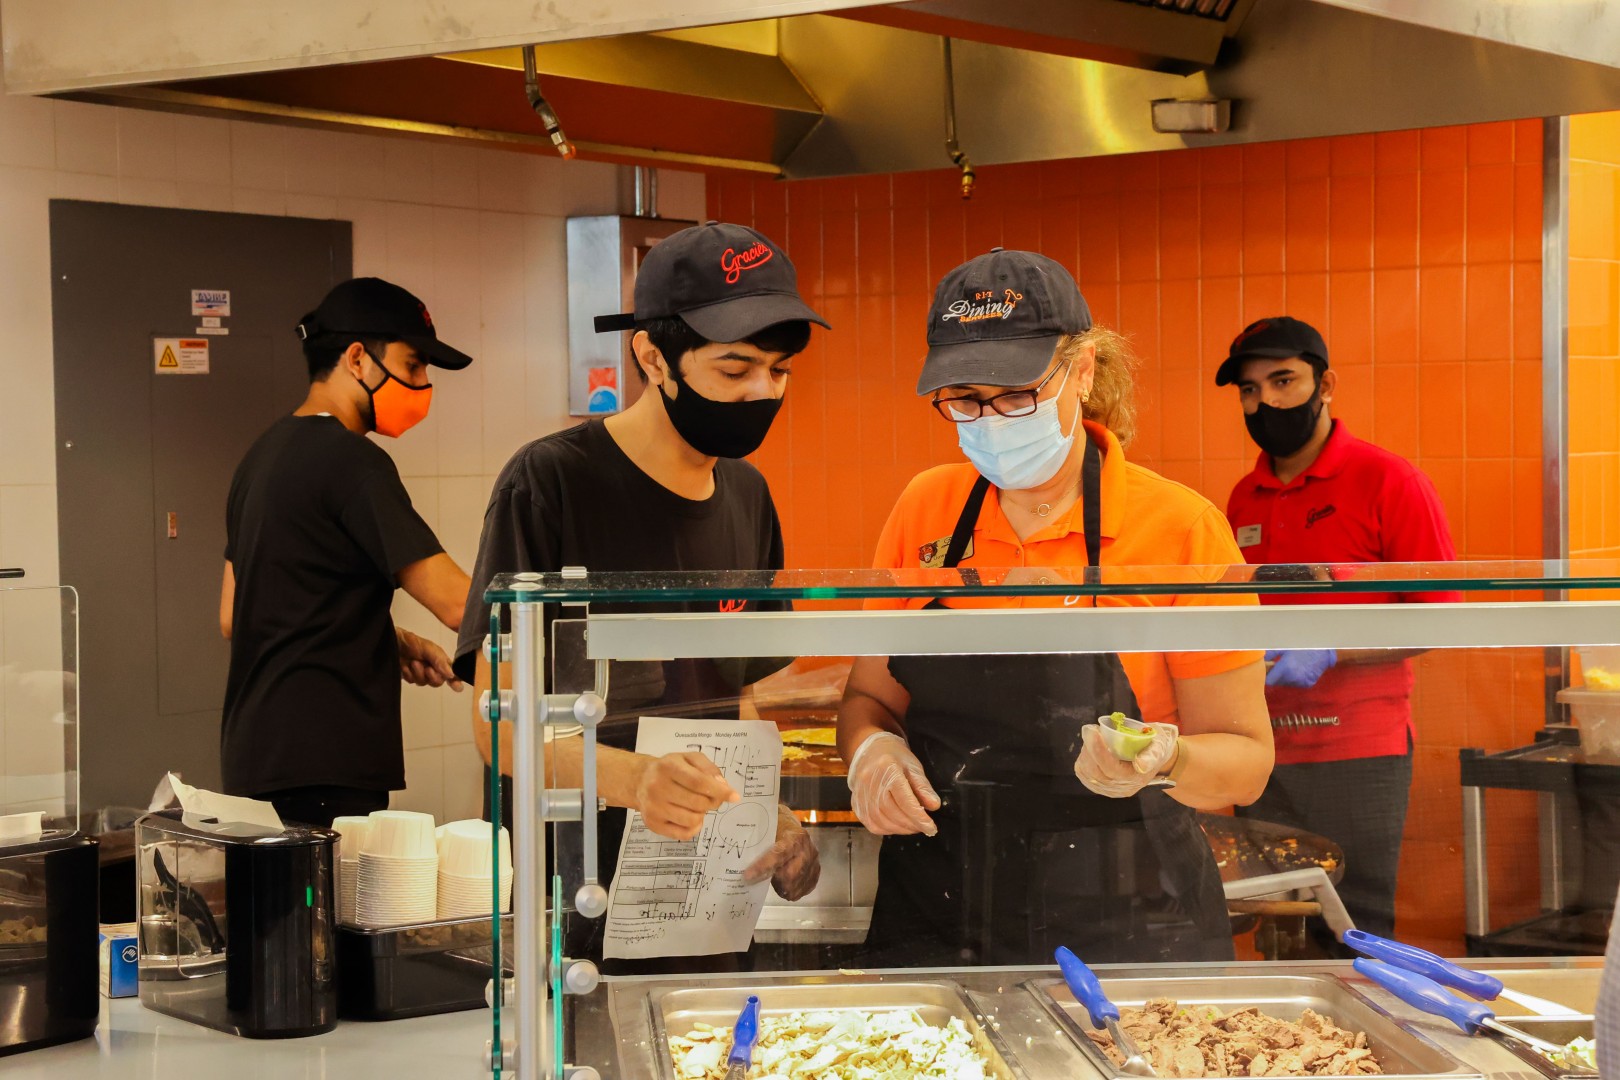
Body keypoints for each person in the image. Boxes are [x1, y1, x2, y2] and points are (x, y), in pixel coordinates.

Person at [838, 248, 1274, 967]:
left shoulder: (1179, 527)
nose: (989, 420)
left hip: (1129, 918)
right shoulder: (927, 509)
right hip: (942, 908)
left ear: (1082, 372)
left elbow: (1247, 761)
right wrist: (872, 752)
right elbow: (868, 697)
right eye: (964, 400)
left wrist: (1167, 757)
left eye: (1015, 396)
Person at [455, 221, 827, 973]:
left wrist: (769, 811)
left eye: (779, 371)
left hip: (712, 910)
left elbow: (736, 697)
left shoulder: (748, 496)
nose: (762, 391)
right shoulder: (550, 484)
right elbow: (498, 728)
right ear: (653, 357)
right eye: (736, 368)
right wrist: (634, 782)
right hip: (584, 911)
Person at [1218, 315, 1458, 946]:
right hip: (1263, 751)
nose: (1265, 401)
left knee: (1356, 929)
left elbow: (1443, 613)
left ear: (1326, 386)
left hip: (1360, 752)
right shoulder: (1243, 499)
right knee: (1276, 929)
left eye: (1283, 380)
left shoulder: (1390, 481)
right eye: (1249, 389)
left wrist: (1332, 650)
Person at [220, 277, 474, 828]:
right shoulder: (354, 461)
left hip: (255, 754)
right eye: (412, 366)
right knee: (325, 915)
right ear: (357, 358)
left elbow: (233, 615)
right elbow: (461, 605)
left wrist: (386, 640)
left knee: (279, 914)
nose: (423, 384)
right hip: (326, 758)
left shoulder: (260, 456)